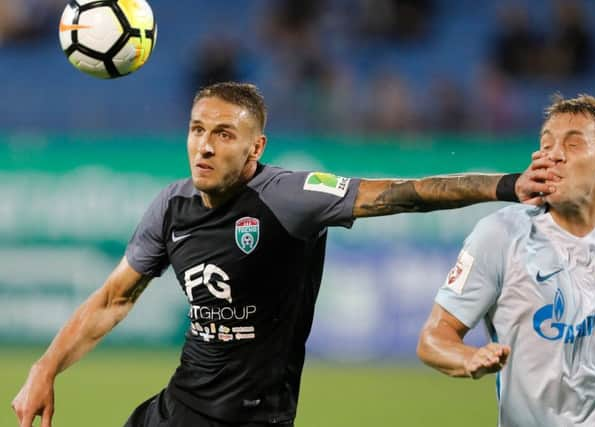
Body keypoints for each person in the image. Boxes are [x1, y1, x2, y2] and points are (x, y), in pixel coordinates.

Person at [12, 82, 551, 427]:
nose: (204, 145)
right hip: (177, 409)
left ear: (255, 148)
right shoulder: (171, 207)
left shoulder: (290, 197)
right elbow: (112, 300)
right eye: (197, 130)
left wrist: (507, 184)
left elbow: (403, 193)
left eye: (223, 134)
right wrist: (44, 369)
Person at [417, 94, 595, 426]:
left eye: (573, 144)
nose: (555, 154)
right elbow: (433, 338)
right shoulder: (499, 235)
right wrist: (469, 358)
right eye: (546, 144)